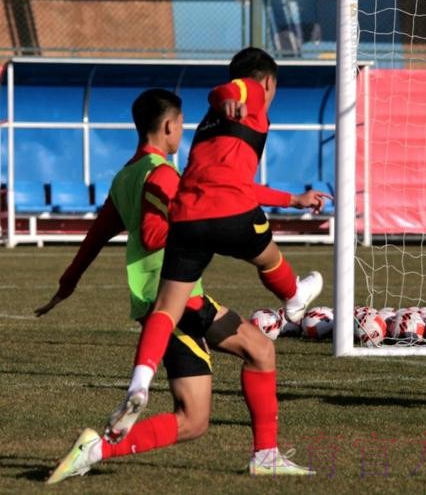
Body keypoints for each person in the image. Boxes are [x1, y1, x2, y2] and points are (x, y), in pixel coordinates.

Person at [37, 88, 318, 484]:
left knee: (256, 353)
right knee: (195, 416)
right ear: (169, 126)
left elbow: (96, 236)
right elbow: (156, 233)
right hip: (174, 301)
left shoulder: (125, 177)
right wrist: (203, 233)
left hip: (171, 301)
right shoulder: (164, 174)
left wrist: (67, 284)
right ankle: (98, 449)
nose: (183, 132)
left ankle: (266, 455)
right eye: (182, 125)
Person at [106, 47, 329, 447]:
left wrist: (291, 198)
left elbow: (227, 180)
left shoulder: (208, 129)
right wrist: (230, 98)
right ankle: (294, 298)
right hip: (232, 215)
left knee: (166, 309)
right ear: (269, 82)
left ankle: (140, 382)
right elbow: (226, 90)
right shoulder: (252, 91)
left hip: (189, 220)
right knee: (269, 257)